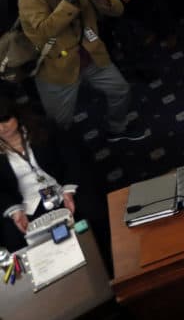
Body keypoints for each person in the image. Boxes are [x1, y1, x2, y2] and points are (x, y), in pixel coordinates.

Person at [18, 0, 147, 140]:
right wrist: (69, 1)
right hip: (56, 67)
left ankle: (117, 128)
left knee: (121, 90)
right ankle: (69, 155)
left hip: (90, 56)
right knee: (59, 123)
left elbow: (118, 10)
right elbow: (43, 31)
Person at [0, 97, 110, 258]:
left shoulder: (43, 127)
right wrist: (14, 210)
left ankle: (107, 261)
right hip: (26, 204)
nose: (1, 128)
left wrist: (68, 190)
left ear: (16, 114)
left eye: (5, 120)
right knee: (15, 241)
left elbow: (73, 158)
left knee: (92, 211)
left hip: (62, 187)